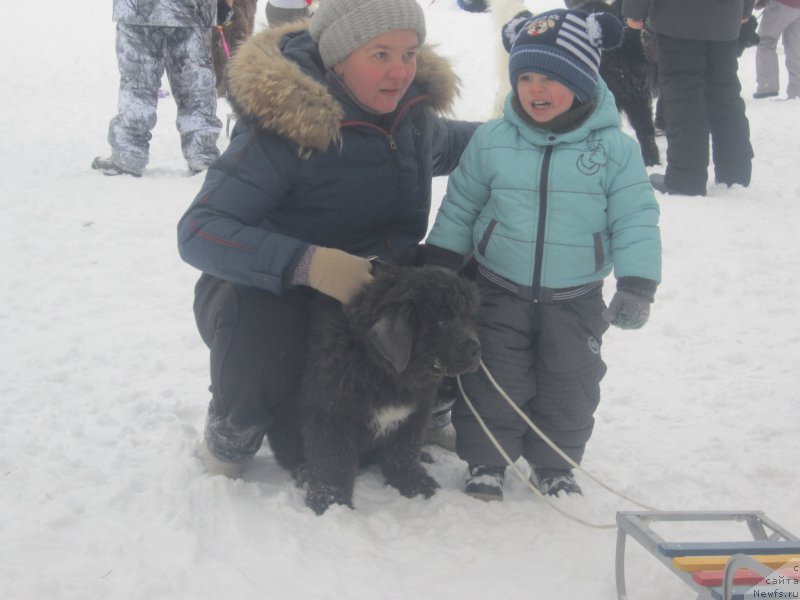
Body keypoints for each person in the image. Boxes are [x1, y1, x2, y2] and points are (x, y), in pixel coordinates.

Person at [177, 0, 479, 476]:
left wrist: (553, 136)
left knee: (474, 281)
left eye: (409, 53)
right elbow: (199, 231)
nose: (400, 71)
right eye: (380, 54)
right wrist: (309, 264)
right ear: (338, 56)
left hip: (381, 286)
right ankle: (235, 429)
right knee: (261, 328)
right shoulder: (282, 130)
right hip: (283, 287)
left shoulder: (412, 119)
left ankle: (430, 405)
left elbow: (481, 144)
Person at [424, 9, 662, 501]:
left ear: (583, 80)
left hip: (576, 298)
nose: (536, 88)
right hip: (498, 289)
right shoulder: (494, 139)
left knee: (570, 384)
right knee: (492, 378)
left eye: (552, 77)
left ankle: (555, 465)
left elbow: (635, 218)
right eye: (526, 76)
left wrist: (638, 285)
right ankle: (487, 461)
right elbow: (463, 204)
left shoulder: (614, 150)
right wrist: (441, 261)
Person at [622, 0, 756, 196]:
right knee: (725, 94)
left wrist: (634, 11)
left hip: (678, 17)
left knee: (683, 96)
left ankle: (686, 177)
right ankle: (734, 173)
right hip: (726, 15)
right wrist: (745, 7)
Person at [92, 0, 223, 177]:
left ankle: (128, 154)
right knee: (195, 86)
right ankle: (202, 153)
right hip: (193, 10)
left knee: (137, 84)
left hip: (139, 9)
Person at [753, 0, 800, 100]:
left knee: (766, 42)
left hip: (782, 3)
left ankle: (768, 86)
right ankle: (797, 90)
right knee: (795, 47)